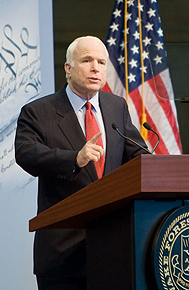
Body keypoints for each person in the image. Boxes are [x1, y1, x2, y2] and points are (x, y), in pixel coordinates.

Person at [14, 36, 147, 290]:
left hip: (114, 250)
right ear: (68, 68)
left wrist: (156, 170)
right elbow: (26, 153)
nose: (96, 67)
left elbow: (136, 155)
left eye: (101, 62)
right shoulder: (38, 112)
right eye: (87, 60)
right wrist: (75, 158)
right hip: (62, 253)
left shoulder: (116, 106)